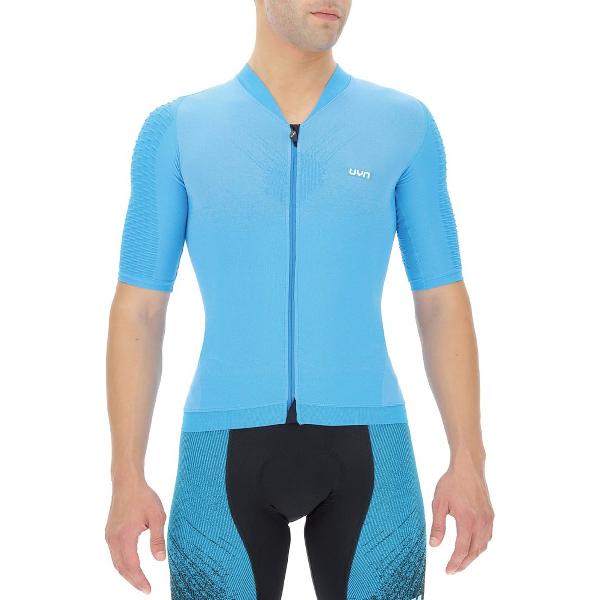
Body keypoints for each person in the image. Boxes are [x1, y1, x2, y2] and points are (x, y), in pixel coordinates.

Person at [105, 1, 494, 598]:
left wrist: (468, 460)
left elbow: (441, 300)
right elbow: (141, 309)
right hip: (222, 449)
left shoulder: (404, 124)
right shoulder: (178, 129)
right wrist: (126, 476)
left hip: (370, 444)